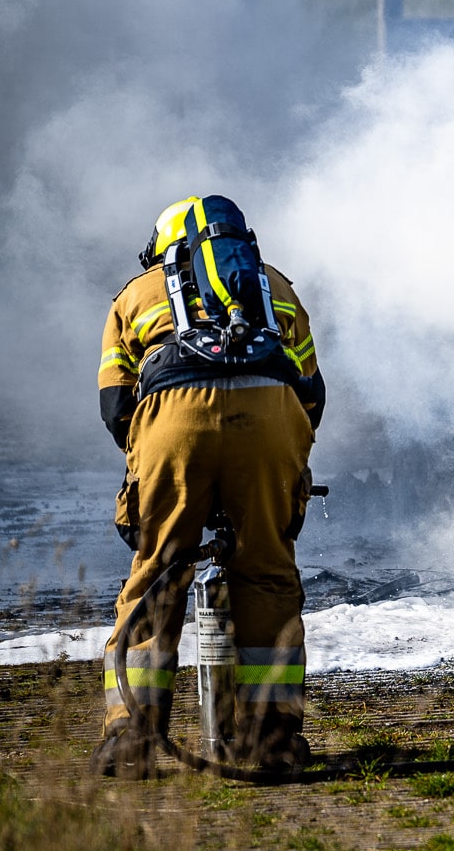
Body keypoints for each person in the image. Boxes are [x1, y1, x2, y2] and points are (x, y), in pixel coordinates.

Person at [93, 196, 324, 776]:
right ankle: (272, 743)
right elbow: (313, 395)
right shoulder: (276, 288)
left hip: (174, 422)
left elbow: (116, 404)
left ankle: (131, 741)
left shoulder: (136, 295)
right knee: (266, 574)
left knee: (157, 572)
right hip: (271, 417)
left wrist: (162, 469)